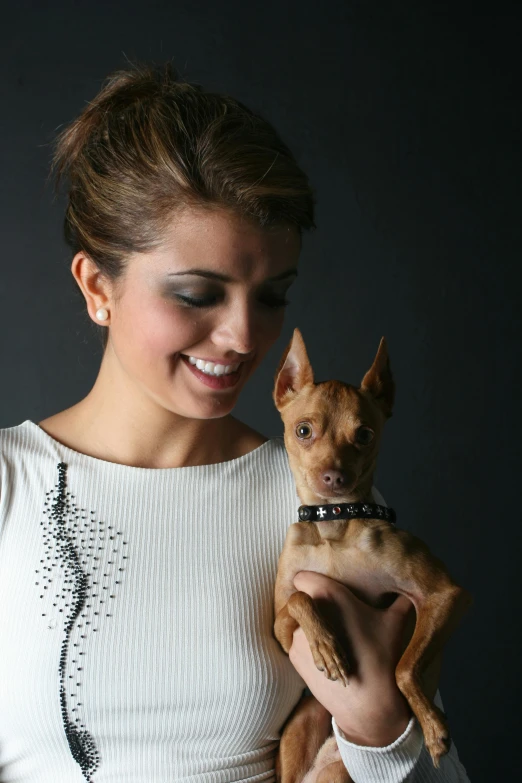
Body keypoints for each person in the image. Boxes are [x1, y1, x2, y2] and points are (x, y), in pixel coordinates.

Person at [0, 61, 470, 783]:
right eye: (197, 293)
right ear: (98, 286)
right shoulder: (11, 489)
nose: (246, 336)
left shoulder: (317, 503)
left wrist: (378, 720)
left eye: (272, 296)